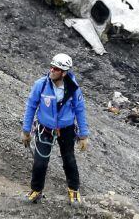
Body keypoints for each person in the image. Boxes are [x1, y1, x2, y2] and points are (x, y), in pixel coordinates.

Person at [21, 53, 89, 205]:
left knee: (69, 160)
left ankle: (74, 191)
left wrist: (83, 135)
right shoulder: (41, 85)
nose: (51, 70)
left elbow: (80, 110)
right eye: (51, 67)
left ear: (64, 73)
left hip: (67, 129)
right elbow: (31, 106)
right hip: (45, 129)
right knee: (40, 162)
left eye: (56, 69)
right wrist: (26, 131)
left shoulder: (73, 89)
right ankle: (36, 191)